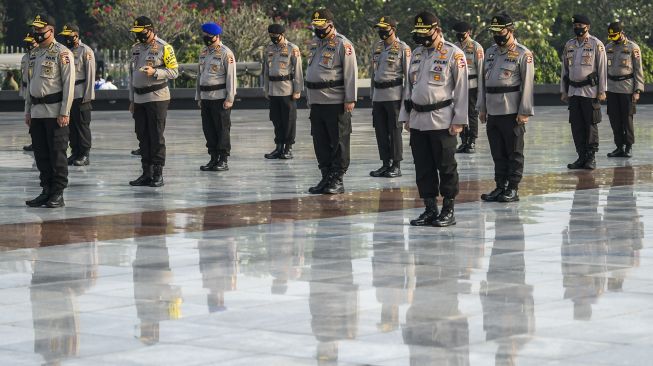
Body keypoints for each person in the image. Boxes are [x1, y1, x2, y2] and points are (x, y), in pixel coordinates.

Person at [399, 11, 468, 227]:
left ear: (437, 30)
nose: (421, 37)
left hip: (442, 120)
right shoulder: (417, 54)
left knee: (446, 167)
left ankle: (448, 209)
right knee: (423, 167)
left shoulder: (453, 54)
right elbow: (408, 88)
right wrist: (406, 116)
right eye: (418, 32)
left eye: (425, 32)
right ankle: (430, 209)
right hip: (418, 119)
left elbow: (462, 90)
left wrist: (459, 120)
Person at [478, 14, 535, 203]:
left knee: (514, 152)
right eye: (494, 31)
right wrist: (482, 108)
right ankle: (500, 185)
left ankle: (512, 187)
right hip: (492, 109)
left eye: (500, 31)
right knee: (497, 152)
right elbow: (482, 83)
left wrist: (524, 110)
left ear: (510, 30)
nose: (496, 35)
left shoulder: (522, 53)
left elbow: (527, 84)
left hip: (511, 110)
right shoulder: (491, 52)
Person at [24, 14, 75, 208]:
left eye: (40, 30)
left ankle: (57, 193)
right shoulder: (34, 53)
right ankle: (46, 189)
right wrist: (28, 111)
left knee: (57, 154)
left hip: (55, 113)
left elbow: (69, 86)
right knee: (41, 155)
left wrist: (65, 112)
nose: (36, 33)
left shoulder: (62, 53)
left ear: (51, 31)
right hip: (37, 112)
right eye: (35, 30)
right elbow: (30, 85)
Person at [305, 8, 358, 195]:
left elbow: (351, 72)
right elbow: (310, 72)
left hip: (335, 101)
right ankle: (326, 176)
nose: (318, 30)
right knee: (320, 141)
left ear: (330, 25)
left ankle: (337, 179)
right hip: (317, 101)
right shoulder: (315, 44)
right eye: (315, 26)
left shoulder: (343, 45)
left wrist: (350, 98)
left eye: (321, 26)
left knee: (338, 142)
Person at [128, 16, 179, 187]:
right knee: (142, 136)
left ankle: (158, 173)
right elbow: (132, 75)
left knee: (156, 136)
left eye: (141, 32)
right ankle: (146, 173)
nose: (138, 36)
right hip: (139, 98)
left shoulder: (165, 47)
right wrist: (132, 99)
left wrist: (156, 72)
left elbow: (174, 72)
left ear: (150, 30)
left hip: (157, 97)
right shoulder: (136, 49)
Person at [560, 14, 607, 170]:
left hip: (590, 92)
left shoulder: (596, 44)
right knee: (576, 126)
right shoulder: (569, 45)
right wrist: (564, 90)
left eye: (580, 25)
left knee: (590, 125)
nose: (577, 28)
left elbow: (602, 69)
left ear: (587, 27)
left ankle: (590, 157)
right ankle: (581, 156)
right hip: (573, 91)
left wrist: (602, 90)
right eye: (575, 25)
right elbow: (564, 70)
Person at [368, 16, 410, 178]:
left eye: (384, 29)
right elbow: (374, 73)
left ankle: (396, 165)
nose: (381, 32)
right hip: (379, 96)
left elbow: (408, 76)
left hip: (394, 95)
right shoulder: (377, 47)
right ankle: (385, 163)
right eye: (379, 29)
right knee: (380, 131)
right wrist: (372, 95)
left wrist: (406, 100)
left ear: (393, 29)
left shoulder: (403, 48)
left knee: (394, 131)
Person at [195, 22, 237, 172]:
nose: (206, 38)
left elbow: (231, 77)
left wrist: (230, 98)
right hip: (206, 97)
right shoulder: (203, 53)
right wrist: (198, 96)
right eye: (204, 35)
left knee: (222, 129)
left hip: (220, 98)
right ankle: (213, 158)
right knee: (209, 129)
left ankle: (223, 159)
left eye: (209, 36)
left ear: (217, 36)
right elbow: (199, 76)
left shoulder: (226, 53)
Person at [262, 23, 303, 160]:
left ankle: (288, 148)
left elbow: (298, 71)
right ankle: (278, 147)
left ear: (282, 35)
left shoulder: (292, 48)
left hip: (287, 89)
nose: (273, 38)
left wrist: (297, 90)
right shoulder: (269, 49)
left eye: (276, 36)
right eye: (271, 36)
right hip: (273, 89)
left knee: (289, 120)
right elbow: (266, 71)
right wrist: (266, 88)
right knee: (276, 119)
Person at [605, 22, 645, 158]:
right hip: (611, 88)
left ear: (621, 33)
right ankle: (619, 146)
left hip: (627, 88)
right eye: (611, 36)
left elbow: (638, 70)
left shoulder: (633, 48)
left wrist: (637, 90)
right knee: (614, 119)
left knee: (627, 119)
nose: (613, 38)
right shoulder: (608, 47)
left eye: (615, 35)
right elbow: (604, 70)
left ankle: (628, 146)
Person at [59, 24, 96, 167]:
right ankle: (75, 152)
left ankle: (84, 154)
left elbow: (90, 75)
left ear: (76, 35)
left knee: (82, 126)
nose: (67, 39)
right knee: (71, 126)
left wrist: (87, 96)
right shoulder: (64, 52)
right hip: (68, 95)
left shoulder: (85, 51)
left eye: (69, 36)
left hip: (81, 94)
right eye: (65, 36)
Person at [453, 21, 484, 154]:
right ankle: (463, 140)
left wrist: (481, 90)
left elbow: (481, 70)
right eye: (458, 33)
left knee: (472, 114)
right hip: (459, 86)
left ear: (469, 32)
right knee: (460, 113)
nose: (460, 35)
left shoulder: (476, 47)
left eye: (462, 33)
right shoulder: (454, 47)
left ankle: (472, 141)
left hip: (472, 85)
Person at [20, 33, 38, 152]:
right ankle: (34, 141)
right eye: (27, 42)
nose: (28, 45)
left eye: (30, 42)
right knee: (29, 118)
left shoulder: (39, 55)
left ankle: (38, 142)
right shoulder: (25, 57)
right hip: (27, 89)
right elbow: (23, 76)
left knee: (36, 118)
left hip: (35, 90)